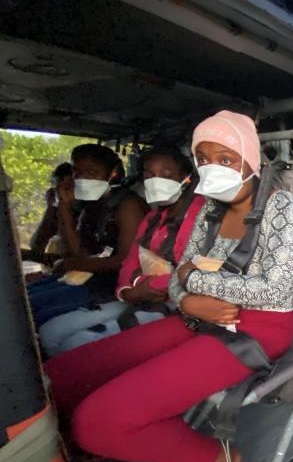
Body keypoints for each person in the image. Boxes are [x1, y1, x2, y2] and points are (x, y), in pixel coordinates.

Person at [45, 111, 293, 462]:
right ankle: (180, 458)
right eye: (204, 159)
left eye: (226, 157)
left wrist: (192, 282)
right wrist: (190, 297)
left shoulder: (282, 208)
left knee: (97, 423)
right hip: (198, 316)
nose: (213, 168)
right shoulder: (207, 210)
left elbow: (274, 292)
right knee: (62, 378)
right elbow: (177, 279)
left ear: (250, 157)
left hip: (254, 329)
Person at [38, 146, 203, 356]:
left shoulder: (201, 215)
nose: (155, 181)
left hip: (175, 304)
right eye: (148, 175)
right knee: (51, 333)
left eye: (166, 175)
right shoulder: (153, 218)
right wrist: (127, 290)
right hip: (137, 296)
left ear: (187, 178)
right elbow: (131, 261)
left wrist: (146, 287)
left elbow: (198, 268)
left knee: (77, 343)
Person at [27, 144, 149, 325]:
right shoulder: (90, 206)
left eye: (92, 173)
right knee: (26, 298)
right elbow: (76, 252)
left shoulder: (127, 205)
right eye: (77, 173)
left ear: (113, 173)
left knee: (36, 311)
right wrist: (63, 208)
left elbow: (125, 261)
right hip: (89, 277)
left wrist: (74, 263)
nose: (83, 179)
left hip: (114, 285)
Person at [22, 162, 76, 263]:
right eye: (57, 189)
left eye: (67, 188)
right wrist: (50, 208)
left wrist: (29, 255)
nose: (60, 193)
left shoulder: (85, 214)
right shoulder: (57, 211)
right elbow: (37, 246)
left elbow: (75, 259)